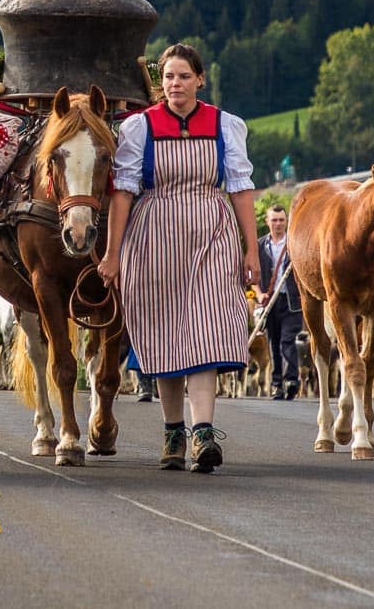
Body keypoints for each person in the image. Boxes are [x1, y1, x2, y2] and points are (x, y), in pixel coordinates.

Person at [99, 43, 259, 474]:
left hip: (211, 230)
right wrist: (112, 254)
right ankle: (173, 430)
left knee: (208, 328)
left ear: (200, 81)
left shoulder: (225, 125)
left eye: (184, 76)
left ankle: (202, 432)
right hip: (154, 235)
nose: (176, 84)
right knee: (165, 331)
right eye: (169, 76)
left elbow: (241, 188)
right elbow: (123, 191)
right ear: (160, 82)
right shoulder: (140, 127)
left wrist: (251, 248)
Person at [255, 204, 303, 401]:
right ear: (267, 222)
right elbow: (253, 276)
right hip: (270, 301)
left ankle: (291, 380)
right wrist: (258, 295)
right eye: (274, 220)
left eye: (281, 220)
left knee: (287, 340)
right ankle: (277, 384)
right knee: (273, 343)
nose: (278, 224)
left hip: (291, 300)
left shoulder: (295, 244)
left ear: (286, 222)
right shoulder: (260, 246)